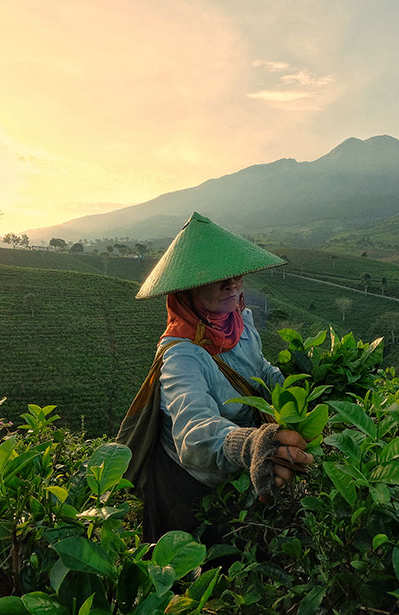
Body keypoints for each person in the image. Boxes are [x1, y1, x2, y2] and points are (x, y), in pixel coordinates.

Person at [133, 212, 314, 543]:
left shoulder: (239, 321)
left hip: (239, 474)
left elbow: (259, 370)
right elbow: (192, 432)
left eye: (236, 275)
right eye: (217, 278)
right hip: (191, 485)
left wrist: (299, 390)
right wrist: (247, 443)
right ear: (188, 290)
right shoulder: (181, 355)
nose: (232, 283)